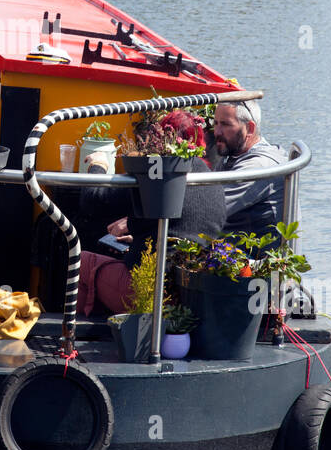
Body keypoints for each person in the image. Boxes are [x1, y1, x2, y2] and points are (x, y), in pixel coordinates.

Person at [76, 110, 227, 317]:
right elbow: (182, 223)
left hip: (153, 294)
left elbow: (93, 200)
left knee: (81, 262)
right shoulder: (211, 179)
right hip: (191, 296)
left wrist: (99, 165)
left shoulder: (161, 176)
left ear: (162, 140)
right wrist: (137, 232)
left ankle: (74, 337)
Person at [213, 100, 286, 232]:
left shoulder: (257, 167)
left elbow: (209, 210)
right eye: (215, 123)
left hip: (254, 252)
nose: (217, 132)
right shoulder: (233, 155)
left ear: (250, 128)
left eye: (225, 125)